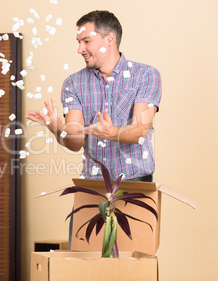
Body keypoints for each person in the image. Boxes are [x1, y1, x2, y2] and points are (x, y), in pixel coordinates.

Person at [25, 10, 161, 246]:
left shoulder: (146, 75)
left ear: (110, 39)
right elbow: (75, 141)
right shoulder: (73, 83)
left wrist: (113, 133)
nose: (80, 49)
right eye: (79, 42)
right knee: (85, 263)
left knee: (133, 266)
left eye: (86, 41)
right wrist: (57, 128)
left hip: (136, 187)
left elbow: (140, 130)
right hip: (92, 190)